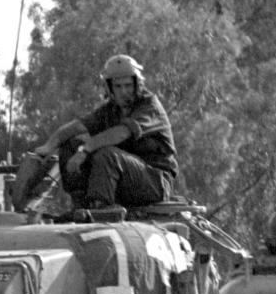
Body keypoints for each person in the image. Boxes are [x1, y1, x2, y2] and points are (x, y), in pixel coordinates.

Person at [34, 53, 176, 210]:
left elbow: (121, 133)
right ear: (110, 88)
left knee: (107, 155)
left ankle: (101, 208)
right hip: (126, 182)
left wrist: (85, 150)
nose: (123, 91)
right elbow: (76, 127)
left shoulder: (149, 106)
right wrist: (48, 147)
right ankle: (81, 205)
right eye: (118, 86)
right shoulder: (110, 111)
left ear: (137, 85)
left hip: (155, 181)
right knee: (70, 145)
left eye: (128, 85)